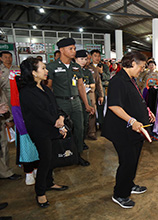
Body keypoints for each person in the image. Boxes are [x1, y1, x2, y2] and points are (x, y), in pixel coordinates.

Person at [102, 52, 155, 209]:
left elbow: (133, 99)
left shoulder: (130, 79)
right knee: (127, 162)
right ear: (132, 63)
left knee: (133, 160)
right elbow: (114, 105)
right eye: (141, 66)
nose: (142, 69)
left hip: (135, 131)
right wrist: (132, 120)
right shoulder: (117, 81)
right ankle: (120, 194)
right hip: (122, 130)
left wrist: (146, 111)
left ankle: (129, 184)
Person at [19, 57, 69, 208]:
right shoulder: (27, 92)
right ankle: (40, 192)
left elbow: (55, 106)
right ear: (33, 72)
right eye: (43, 68)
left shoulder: (45, 88)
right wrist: (58, 123)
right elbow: (40, 113)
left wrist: (61, 117)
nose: (47, 71)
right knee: (45, 160)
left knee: (51, 158)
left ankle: (49, 183)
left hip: (52, 126)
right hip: (40, 130)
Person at [46, 38, 94, 166]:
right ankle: (59, 156)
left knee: (79, 129)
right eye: (70, 49)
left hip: (76, 102)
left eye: (74, 48)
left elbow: (80, 87)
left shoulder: (76, 67)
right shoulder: (51, 67)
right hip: (60, 103)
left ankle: (77, 155)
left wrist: (87, 104)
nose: (74, 51)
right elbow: (48, 89)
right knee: (60, 130)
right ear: (61, 50)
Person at [0, 51, 21, 180]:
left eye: (10, 57)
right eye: (5, 57)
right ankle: (4, 171)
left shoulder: (16, 69)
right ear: (1, 59)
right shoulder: (0, 71)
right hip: (5, 101)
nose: (8, 59)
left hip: (16, 100)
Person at [75, 50, 95, 150]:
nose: (84, 61)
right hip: (75, 98)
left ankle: (82, 141)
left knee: (85, 122)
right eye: (81, 59)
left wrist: (87, 86)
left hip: (85, 97)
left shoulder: (87, 71)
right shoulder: (73, 70)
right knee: (77, 123)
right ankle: (76, 144)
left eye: (85, 59)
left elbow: (93, 84)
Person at [86, 53, 104, 140]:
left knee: (92, 112)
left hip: (91, 94)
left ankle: (92, 132)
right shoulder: (75, 69)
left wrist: (101, 95)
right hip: (78, 95)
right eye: (86, 59)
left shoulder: (93, 69)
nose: (88, 61)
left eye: (89, 59)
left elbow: (98, 83)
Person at [90, 49, 110, 129]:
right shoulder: (89, 66)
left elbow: (108, 77)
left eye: (99, 56)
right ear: (91, 57)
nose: (97, 58)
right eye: (95, 56)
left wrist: (101, 72)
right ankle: (92, 126)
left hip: (101, 90)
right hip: (91, 91)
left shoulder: (104, 66)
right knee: (92, 109)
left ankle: (101, 125)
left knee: (101, 108)